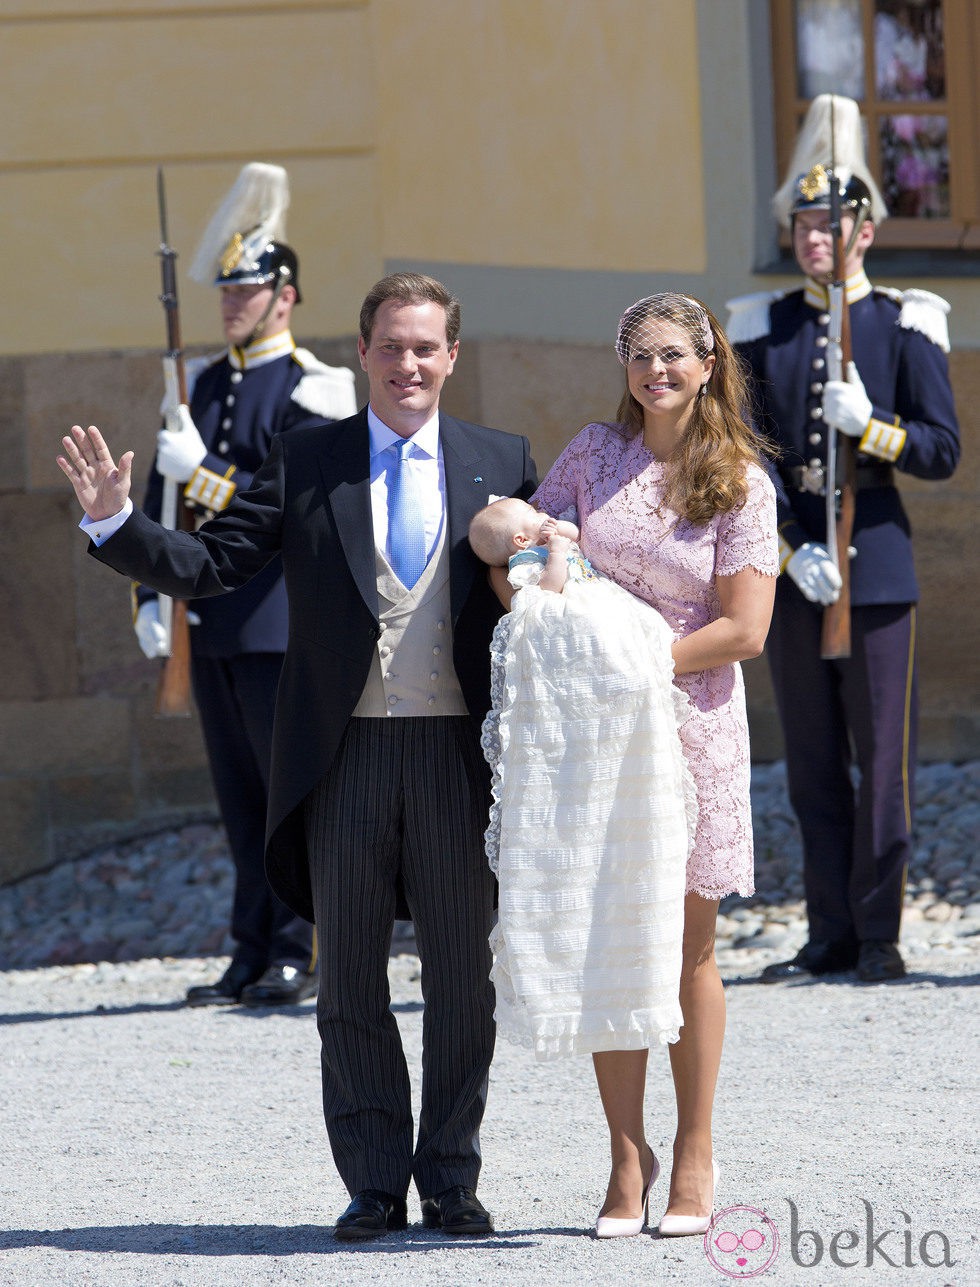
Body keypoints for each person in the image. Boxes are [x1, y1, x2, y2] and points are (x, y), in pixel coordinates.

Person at [57, 272, 537, 1240]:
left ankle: (448, 1175)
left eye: (425, 346)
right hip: (342, 754)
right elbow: (213, 564)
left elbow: (547, 589)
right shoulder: (306, 458)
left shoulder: (502, 460)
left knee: (462, 981)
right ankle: (371, 1182)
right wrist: (118, 525)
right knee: (349, 980)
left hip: (457, 755)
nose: (408, 364)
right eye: (390, 346)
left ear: (452, 355)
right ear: (362, 355)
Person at [524, 293, 777, 1238]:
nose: (656, 370)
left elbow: (745, 628)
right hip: (595, 733)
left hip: (691, 723)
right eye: (641, 356)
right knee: (609, 946)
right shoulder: (593, 452)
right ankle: (626, 1160)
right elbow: (531, 543)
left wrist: (631, 663)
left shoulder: (742, 480)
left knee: (686, 951)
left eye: (675, 355)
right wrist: (535, 556)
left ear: (709, 364)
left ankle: (698, 1150)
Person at [726, 95, 960, 985]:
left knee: (883, 765)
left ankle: (878, 931)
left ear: (864, 229)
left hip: (881, 570)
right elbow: (746, 458)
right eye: (801, 222)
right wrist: (791, 549)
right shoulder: (763, 328)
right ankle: (826, 930)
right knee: (814, 762)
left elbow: (941, 450)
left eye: (829, 223)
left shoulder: (905, 321)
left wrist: (875, 426)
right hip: (796, 574)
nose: (811, 236)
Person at [137, 163, 357, 1008]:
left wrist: (205, 471)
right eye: (226, 291)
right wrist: (153, 596)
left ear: (286, 295)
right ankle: (249, 945)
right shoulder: (201, 385)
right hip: (216, 623)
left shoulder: (317, 385)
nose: (232, 303)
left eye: (249, 289)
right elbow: (164, 511)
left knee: (286, 792)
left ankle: (302, 945)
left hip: (280, 620)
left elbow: (296, 507)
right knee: (237, 796)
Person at [468, 496, 695, 1066]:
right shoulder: (531, 563)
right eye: (530, 519)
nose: (542, 517)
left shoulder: (537, 544)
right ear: (521, 544)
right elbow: (549, 600)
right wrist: (562, 547)